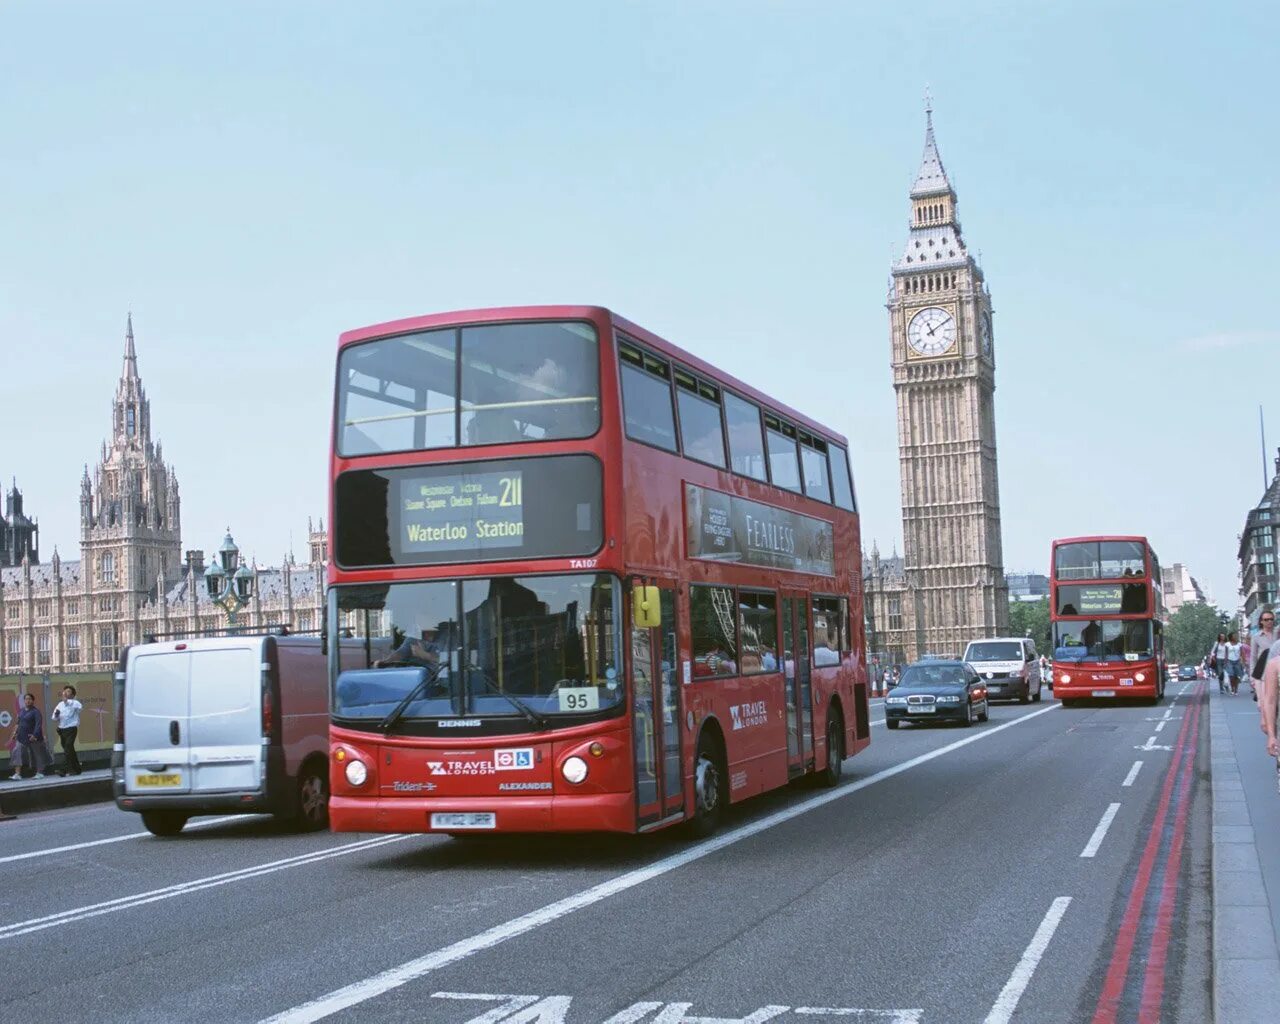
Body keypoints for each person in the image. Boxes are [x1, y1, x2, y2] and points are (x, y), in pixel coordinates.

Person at [11, 693, 49, 780]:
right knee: (17, 753)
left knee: (37, 754)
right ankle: (17, 774)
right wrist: (14, 733)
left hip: (33, 737)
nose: (28, 701)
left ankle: (39, 773)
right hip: (21, 737)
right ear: (24, 701)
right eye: (26, 699)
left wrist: (34, 735)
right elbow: (18, 723)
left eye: (30, 699)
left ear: (33, 701)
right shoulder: (21, 711)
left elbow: (38, 725)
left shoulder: (36, 712)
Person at [52, 684, 83, 776]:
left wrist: (67, 702)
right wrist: (56, 715)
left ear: (73, 695)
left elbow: (80, 708)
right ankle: (77, 769)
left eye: (68, 691)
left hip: (71, 729)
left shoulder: (75, 702)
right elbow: (54, 718)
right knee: (70, 751)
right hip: (62, 730)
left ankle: (63, 770)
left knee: (68, 749)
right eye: (65, 691)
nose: (66, 692)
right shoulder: (60, 704)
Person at [1251, 610, 1276, 707]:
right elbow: (1253, 658)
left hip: (1277, 672)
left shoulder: (1277, 634)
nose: (1269, 621)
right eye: (1266, 620)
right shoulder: (1256, 637)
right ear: (1261, 621)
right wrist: (1252, 677)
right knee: (1263, 704)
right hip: (1262, 674)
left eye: (1271, 619)